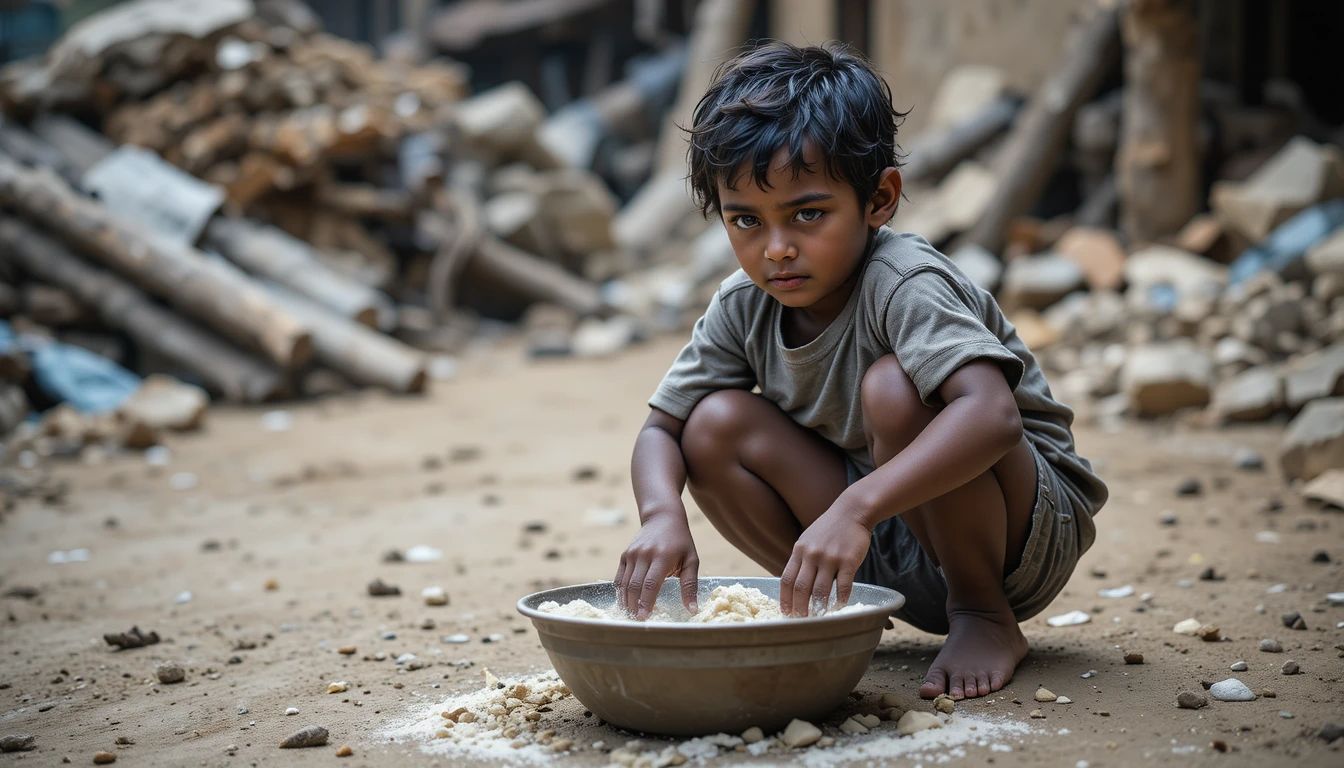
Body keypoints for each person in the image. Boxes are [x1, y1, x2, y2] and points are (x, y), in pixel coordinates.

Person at [613, 40, 1108, 701]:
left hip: (1021, 531)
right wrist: (658, 515)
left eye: (808, 213)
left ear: (879, 200)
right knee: (710, 424)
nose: (777, 248)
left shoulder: (904, 282)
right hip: (886, 531)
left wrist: (855, 507)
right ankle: (835, 606)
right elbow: (660, 430)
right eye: (746, 221)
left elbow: (992, 417)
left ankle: (983, 615)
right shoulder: (743, 302)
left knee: (895, 388)